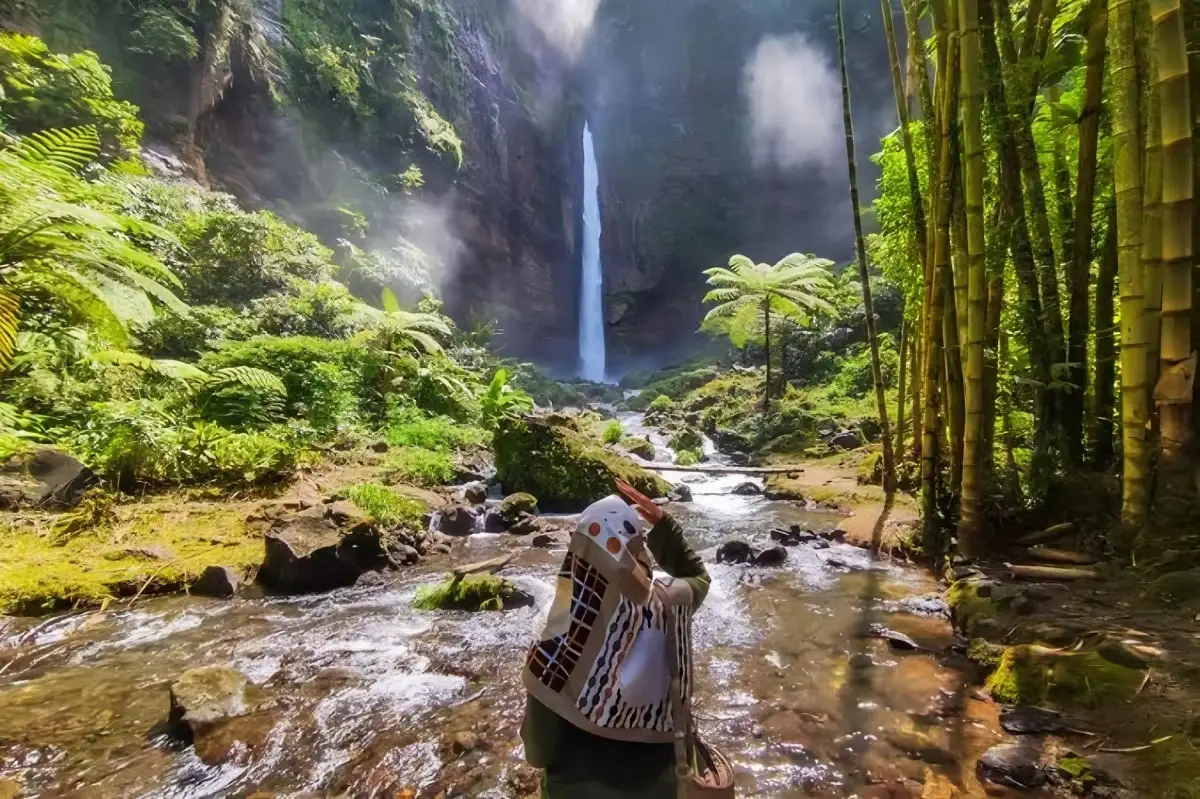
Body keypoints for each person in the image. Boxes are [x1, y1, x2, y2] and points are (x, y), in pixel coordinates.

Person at [519, 478, 711, 799]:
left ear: (577, 554)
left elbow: (537, 754)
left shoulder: (556, 636)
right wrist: (665, 527)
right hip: (663, 790)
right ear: (637, 551)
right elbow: (699, 578)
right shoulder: (669, 603)